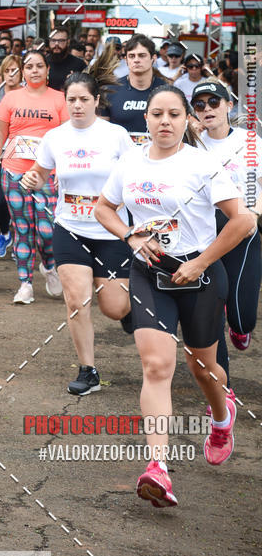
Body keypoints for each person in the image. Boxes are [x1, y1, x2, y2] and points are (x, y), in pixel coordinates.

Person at [95, 85, 255, 507]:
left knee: (202, 368)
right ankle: (158, 468)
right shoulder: (130, 162)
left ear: (187, 121)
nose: (164, 121)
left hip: (199, 275)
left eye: (174, 114)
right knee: (156, 365)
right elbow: (103, 208)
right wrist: (129, 235)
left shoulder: (202, 164)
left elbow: (244, 222)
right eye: (157, 114)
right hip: (150, 273)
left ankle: (221, 417)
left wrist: (201, 262)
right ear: (146, 119)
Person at [22, 46, 133, 394]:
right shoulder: (55, 137)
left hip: (111, 230)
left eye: (84, 99)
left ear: (96, 100)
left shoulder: (116, 136)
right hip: (70, 228)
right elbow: (39, 173)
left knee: (114, 308)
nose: (77, 106)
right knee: (76, 301)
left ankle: (128, 310)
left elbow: (133, 178)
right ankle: (88, 371)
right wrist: (32, 179)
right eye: (71, 100)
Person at [191, 79, 262, 370]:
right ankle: (219, 378)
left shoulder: (249, 140)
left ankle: (239, 326)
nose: (207, 109)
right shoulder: (191, 144)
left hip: (242, 230)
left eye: (214, 102)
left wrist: (253, 214)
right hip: (204, 235)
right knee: (210, 312)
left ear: (229, 105)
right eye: (199, 105)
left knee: (243, 318)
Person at [0, 49, 69, 303]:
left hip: (47, 175)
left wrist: (61, 170)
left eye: (39, 66)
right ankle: (25, 283)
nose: (34, 70)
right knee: (22, 228)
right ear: (22, 71)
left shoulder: (60, 99)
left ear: (48, 70)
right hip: (14, 172)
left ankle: (48, 265)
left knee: (48, 230)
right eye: (29, 66)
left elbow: (67, 139)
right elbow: (0, 135)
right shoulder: (11, 99)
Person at [99, 33, 167, 145]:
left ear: (153, 58)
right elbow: (101, 131)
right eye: (132, 56)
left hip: (157, 152)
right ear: (126, 59)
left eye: (142, 55)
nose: (136, 60)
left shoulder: (167, 91)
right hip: (120, 153)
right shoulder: (109, 90)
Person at [0, 55, 22, 259]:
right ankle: (5, 235)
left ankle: (21, 241)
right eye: (7, 71)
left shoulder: (29, 95)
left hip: (23, 156)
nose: (11, 75)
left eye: (15, 70)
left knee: (21, 202)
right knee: (0, 200)